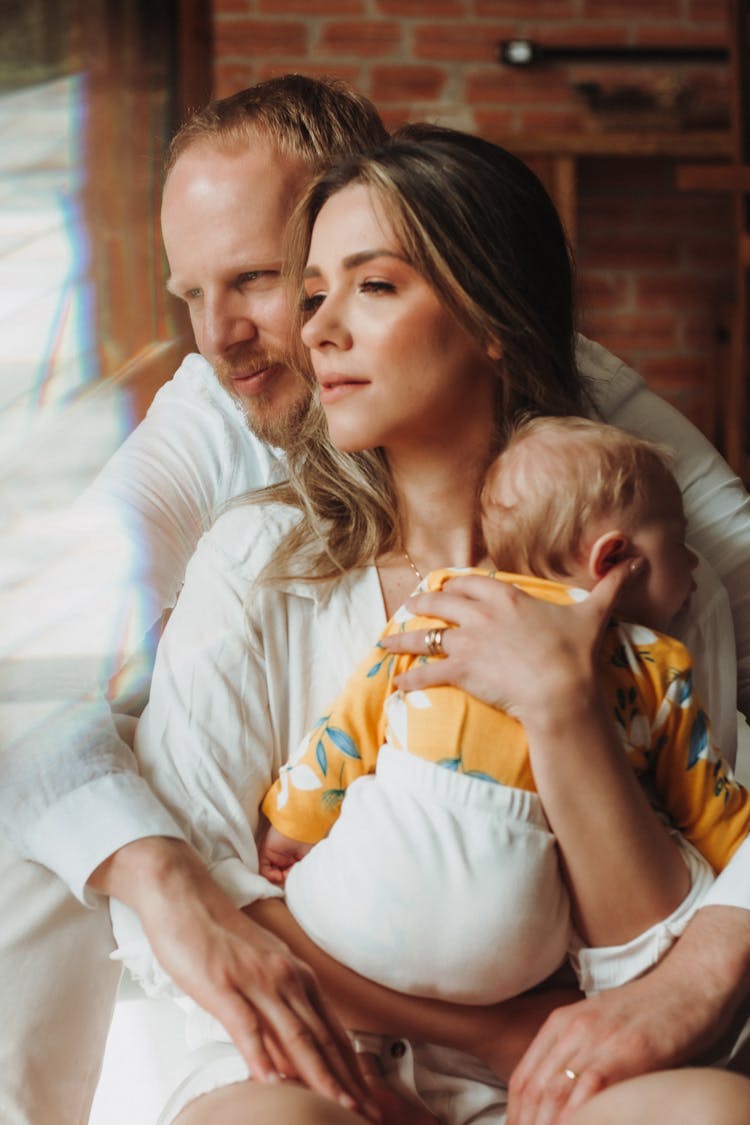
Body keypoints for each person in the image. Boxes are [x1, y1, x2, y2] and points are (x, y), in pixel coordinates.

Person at [0, 77, 748, 1125]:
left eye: (368, 288)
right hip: (303, 1047)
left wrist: (563, 706)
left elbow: (649, 952)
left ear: (490, 318)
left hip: (545, 1076)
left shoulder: (649, 555)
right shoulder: (254, 546)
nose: (309, 333)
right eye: (311, 295)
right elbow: (197, 843)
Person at [257, 416, 749, 1009]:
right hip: (516, 952)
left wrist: (292, 825)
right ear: (614, 557)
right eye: (679, 542)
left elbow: (349, 726)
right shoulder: (658, 664)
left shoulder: (444, 606)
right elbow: (710, 806)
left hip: (351, 908)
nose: (696, 568)